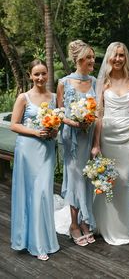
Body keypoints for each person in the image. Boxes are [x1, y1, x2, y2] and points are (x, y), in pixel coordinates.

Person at [91, 41, 129, 245]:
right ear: (109, 57)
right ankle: (102, 225)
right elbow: (98, 115)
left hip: (128, 136)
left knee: (123, 181)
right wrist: (96, 144)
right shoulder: (102, 82)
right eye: (115, 55)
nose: (118, 59)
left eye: (122, 55)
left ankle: (122, 228)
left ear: (126, 58)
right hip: (107, 137)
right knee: (107, 181)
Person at [11, 59, 60, 261]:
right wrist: (35, 132)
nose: (40, 77)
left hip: (46, 150)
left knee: (42, 193)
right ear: (30, 76)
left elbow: (58, 127)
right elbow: (14, 125)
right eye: (36, 74)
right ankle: (30, 242)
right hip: (27, 149)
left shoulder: (55, 98)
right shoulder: (24, 97)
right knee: (28, 193)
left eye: (43, 73)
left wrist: (53, 131)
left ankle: (43, 241)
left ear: (48, 74)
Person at [57, 40, 96, 246]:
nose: (92, 60)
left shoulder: (95, 82)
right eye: (88, 57)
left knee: (88, 178)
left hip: (88, 137)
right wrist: (74, 122)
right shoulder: (64, 82)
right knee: (75, 180)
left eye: (92, 57)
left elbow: (99, 116)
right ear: (78, 59)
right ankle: (74, 224)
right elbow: (59, 113)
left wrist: (96, 143)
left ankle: (85, 220)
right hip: (71, 138)